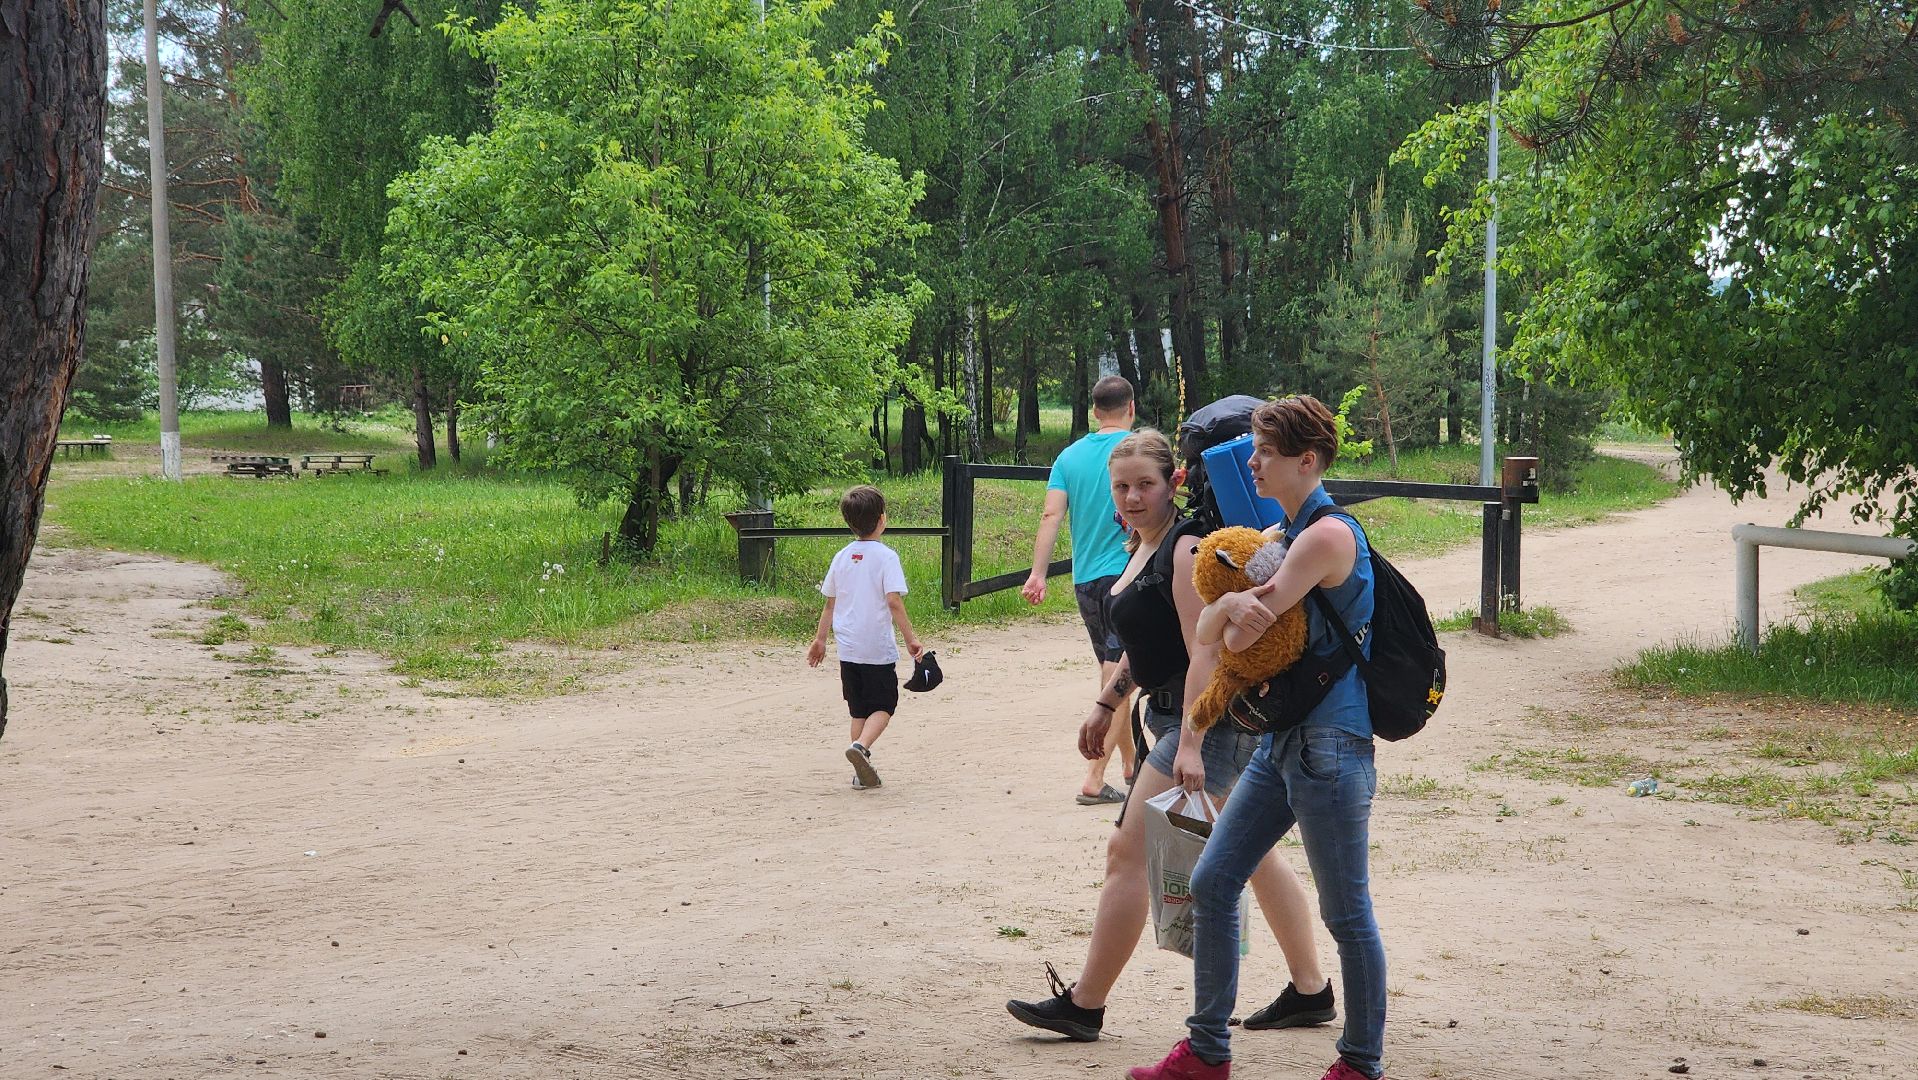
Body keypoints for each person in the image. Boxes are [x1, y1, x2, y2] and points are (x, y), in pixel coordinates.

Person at [1007, 429, 1334, 1043]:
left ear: (1172, 484)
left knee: (1126, 852)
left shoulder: (1184, 549)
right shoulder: (1144, 545)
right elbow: (1147, 645)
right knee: (1253, 853)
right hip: (1177, 718)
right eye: (1121, 487)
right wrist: (1107, 703)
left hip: (1205, 722)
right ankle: (1311, 989)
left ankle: (1085, 1004)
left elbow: (1202, 651)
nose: (1132, 497)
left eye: (1145, 485)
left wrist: (1189, 742)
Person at [1129, 395, 1384, 1080]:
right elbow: (1212, 630)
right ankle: (1206, 1053)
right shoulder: (1282, 535)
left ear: (1308, 460)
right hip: (1283, 743)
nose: (1252, 462)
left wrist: (1224, 611)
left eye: (1266, 451)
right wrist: (1224, 611)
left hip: (1331, 747)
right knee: (1213, 881)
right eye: (1254, 450)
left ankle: (1361, 1063)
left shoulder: (1324, 538)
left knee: (1346, 913)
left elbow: (1236, 638)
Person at [1023, 375, 1138, 805]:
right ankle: (1094, 777)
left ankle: (1132, 763)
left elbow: (1050, 515)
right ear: (1131, 407)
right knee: (1121, 675)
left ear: (1094, 411)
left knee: (1114, 671)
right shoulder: (1139, 449)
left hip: (1085, 580)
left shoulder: (1068, 457)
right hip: (1130, 574)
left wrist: (1037, 573)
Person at [807, 484, 925, 791]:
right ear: (882, 519)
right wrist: (911, 639)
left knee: (858, 709)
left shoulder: (842, 557)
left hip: (848, 649)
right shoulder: (886, 557)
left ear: (849, 522)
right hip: (876, 649)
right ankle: (860, 748)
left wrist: (820, 640)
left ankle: (860, 772)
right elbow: (893, 601)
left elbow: (830, 603)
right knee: (884, 705)